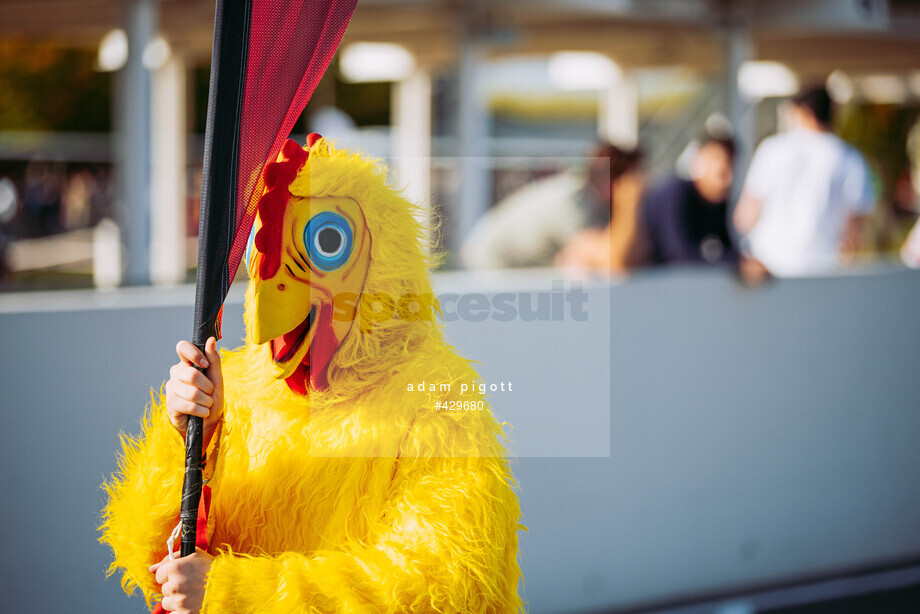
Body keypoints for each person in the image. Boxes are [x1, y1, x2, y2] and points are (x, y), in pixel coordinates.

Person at [100, 137, 523, 614]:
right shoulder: (232, 386)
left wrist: (235, 593)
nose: (279, 280)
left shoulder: (435, 397)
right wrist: (193, 438)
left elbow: (444, 583)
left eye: (327, 242)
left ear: (381, 261)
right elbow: (151, 563)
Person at [733, 85, 875, 277]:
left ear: (805, 113)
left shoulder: (772, 150)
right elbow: (853, 234)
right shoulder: (851, 158)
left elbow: (745, 218)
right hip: (823, 272)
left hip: (767, 270)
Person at [460, 142, 639, 269]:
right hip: (486, 268)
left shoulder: (580, 193)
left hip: (502, 269)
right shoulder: (573, 206)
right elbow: (613, 259)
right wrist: (630, 205)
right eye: (632, 180)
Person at [641, 133, 739, 266]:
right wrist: (738, 263)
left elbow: (727, 248)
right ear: (699, 164)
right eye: (722, 173)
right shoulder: (675, 195)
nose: (729, 181)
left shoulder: (718, 203)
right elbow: (679, 253)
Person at [551, 146, 645, 274]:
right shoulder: (575, 207)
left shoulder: (594, 198)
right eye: (627, 177)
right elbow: (614, 262)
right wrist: (629, 202)